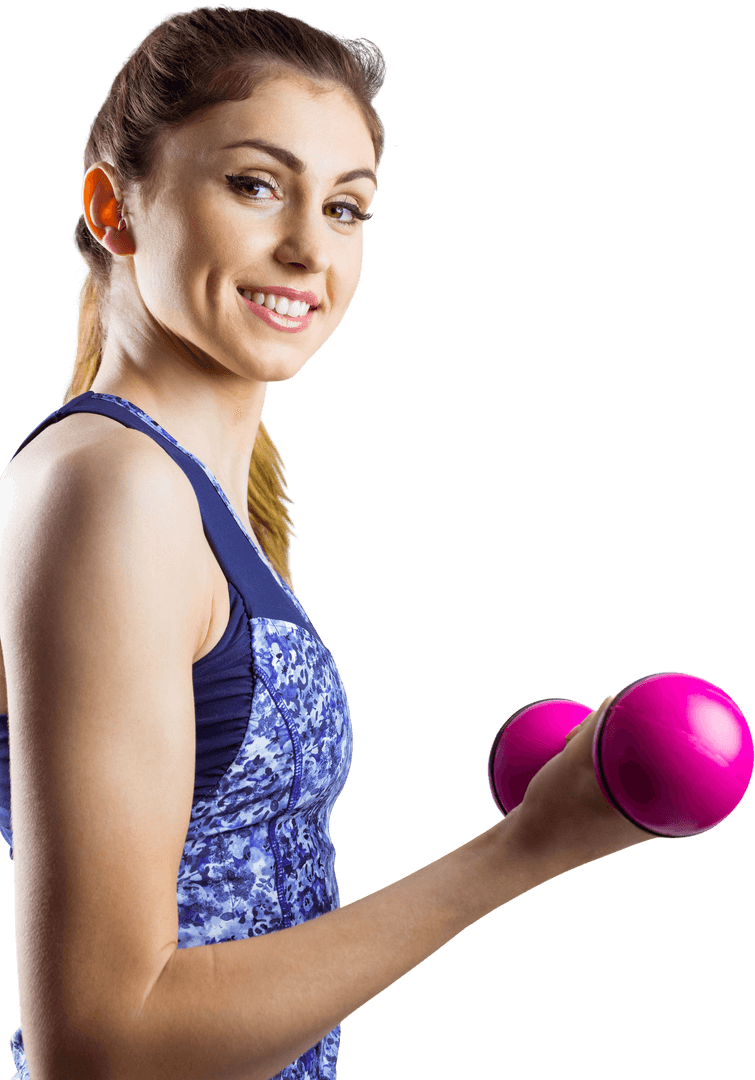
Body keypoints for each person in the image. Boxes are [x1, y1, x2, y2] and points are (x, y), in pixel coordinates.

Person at [0, 7, 654, 1079]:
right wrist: (518, 852)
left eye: (345, 206)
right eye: (255, 185)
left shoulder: (210, 500)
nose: (309, 247)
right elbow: (101, 1044)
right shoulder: (105, 491)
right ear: (114, 209)